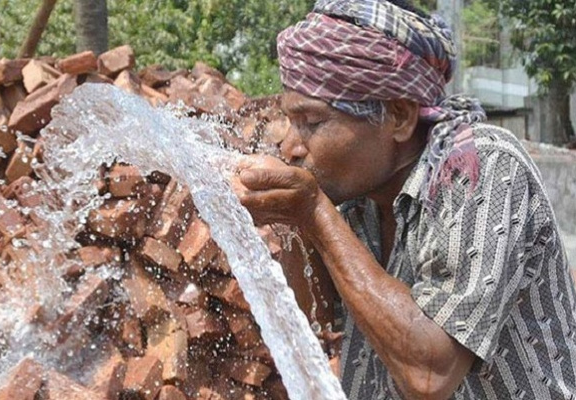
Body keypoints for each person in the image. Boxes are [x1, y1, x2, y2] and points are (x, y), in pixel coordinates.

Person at [234, 0, 576, 398]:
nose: (291, 145)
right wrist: (290, 218)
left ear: (398, 116)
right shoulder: (356, 195)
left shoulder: (481, 168)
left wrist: (312, 213)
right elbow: (314, 313)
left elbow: (431, 374)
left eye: (311, 122)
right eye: (289, 122)